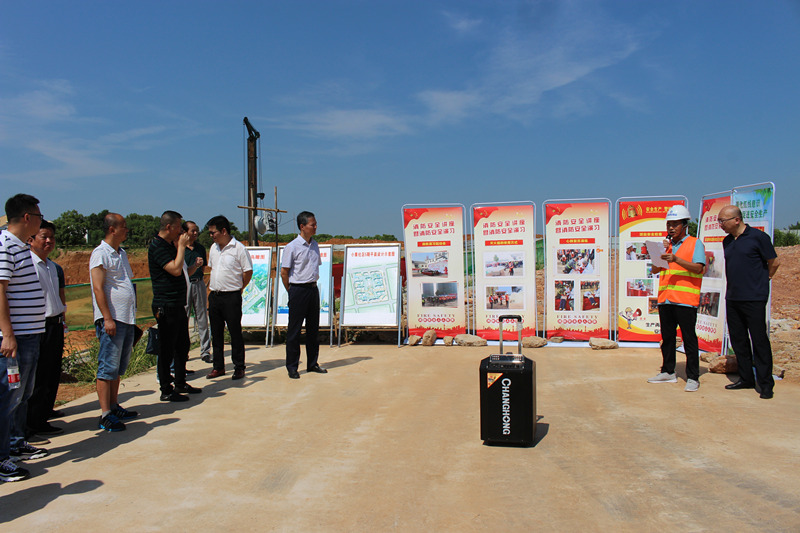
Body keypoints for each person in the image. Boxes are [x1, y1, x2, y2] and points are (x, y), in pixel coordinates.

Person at [0, 194, 48, 482]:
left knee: (21, 394)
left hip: (30, 334)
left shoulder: (21, 246)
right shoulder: (5, 246)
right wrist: (8, 334)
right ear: (28, 217)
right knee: (7, 397)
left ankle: (15, 444)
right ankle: (2, 458)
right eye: (39, 216)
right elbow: (0, 291)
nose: (42, 221)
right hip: (15, 340)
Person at [719, 205, 780, 399]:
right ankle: (746, 378)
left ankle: (765, 384)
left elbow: (774, 262)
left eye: (723, 221)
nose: (720, 224)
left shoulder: (758, 238)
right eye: (719, 221)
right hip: (733, 297)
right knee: (738, 340)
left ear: (737, 220)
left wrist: (764, 279)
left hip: (754, 297)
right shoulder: (727, 241)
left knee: (759, 340)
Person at [90, 213, 141, 431]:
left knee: (117, 367)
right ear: (112, 229)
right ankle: (105, 414)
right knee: (107, 367)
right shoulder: (100, 254)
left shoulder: (121, 253)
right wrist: (107, 318)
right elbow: (98, 287)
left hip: (126, 318)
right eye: (123, 226)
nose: (127, 230)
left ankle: (113, 405)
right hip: (113, 320)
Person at [648, 205, 705, 392]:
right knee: (667, 338)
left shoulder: (695, 243)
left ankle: (693, 377)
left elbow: (699, 268)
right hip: (666, 299)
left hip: (685, 300)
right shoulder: (667, 245)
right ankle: (668, 371)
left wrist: (676, 259)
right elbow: (655, 270)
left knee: (689, 339)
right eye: (669, 224)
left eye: (675, 224)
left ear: (685, 225)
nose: (671, 228)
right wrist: (659, 255)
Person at [148, 211, 202, 401]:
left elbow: (183, 270)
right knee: (167, 348)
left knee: (182, 345)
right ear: (169, 227)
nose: (182, 231)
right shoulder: (157, 246)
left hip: (178, 303)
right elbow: (175, 269)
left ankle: (180, 382)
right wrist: (181, 247)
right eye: (179, 226)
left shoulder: (171, 245)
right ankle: (166, 388)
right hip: (166, 304)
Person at [26, 220, 67, 438]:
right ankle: (31, 424)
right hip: (37, 326)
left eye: (52, 237)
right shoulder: (27, 265)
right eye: (44, 237)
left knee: (51, 373)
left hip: (55, 325)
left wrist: (63, 319)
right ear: (31, 239)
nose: (49, 241)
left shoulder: (53, 267)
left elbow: (59, 296)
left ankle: (43, 415)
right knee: (37, 376)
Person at [206, 215, 252, 380]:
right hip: (215, 296)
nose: (211, 235)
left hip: (231, 296)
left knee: (235, 333)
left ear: (223, 231)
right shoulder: (213, 248)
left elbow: (248, 272)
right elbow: (212, 269)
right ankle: (218, 367)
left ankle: (239, 367)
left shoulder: (239, 248)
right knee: (216, 334)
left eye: (213, 232)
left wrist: (239, 288)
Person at [281, 211, 326, 379]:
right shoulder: (292, 247)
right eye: (312, 224)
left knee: (313, 330)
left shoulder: (315, 245)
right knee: (294, 331)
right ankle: (292, 367)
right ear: (302, 226)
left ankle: (312, 363)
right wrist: (291, 291)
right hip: (298, 290)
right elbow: (284, 272)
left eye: (315, 224)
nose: (315, 227)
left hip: (312, 290)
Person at [182, 221, 211, 364]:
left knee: (202, 318)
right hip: (185, 284)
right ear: (185, 232)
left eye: (196, 230)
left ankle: (205, 351)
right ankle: (183, 352)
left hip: (198, 283)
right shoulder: (180, 248)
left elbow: (204, 267)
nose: (195, 233)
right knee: (184, 318)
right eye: (192, 230)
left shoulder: (200, 248)